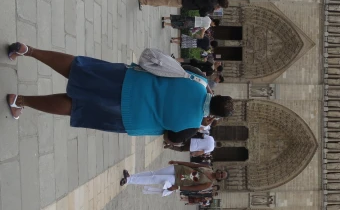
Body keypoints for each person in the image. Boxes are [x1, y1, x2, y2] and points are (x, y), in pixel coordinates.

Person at [4, 43, 233, 141]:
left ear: (216, 93)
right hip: (129, 115)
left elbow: (177, 69)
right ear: (215, 116)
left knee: (79, 69)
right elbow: (171, 137)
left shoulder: (199, 79)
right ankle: (20, 100)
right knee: (77, 107)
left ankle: (28, 50)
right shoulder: (192, 125)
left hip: (131, 80)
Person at [120, 161, 228, 192]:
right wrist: (178, 162)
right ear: (220, 170)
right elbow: (193, 165)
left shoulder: (208, 183)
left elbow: (193, 188)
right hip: (179, 169)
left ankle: (128, 180)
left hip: (178, 180)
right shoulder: (207, 167)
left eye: (222, 176)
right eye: (222, 172)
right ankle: (131, 176)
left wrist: (178, 187)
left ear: (220, 179)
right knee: (153, 173)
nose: (221, 174)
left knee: (154, 179)